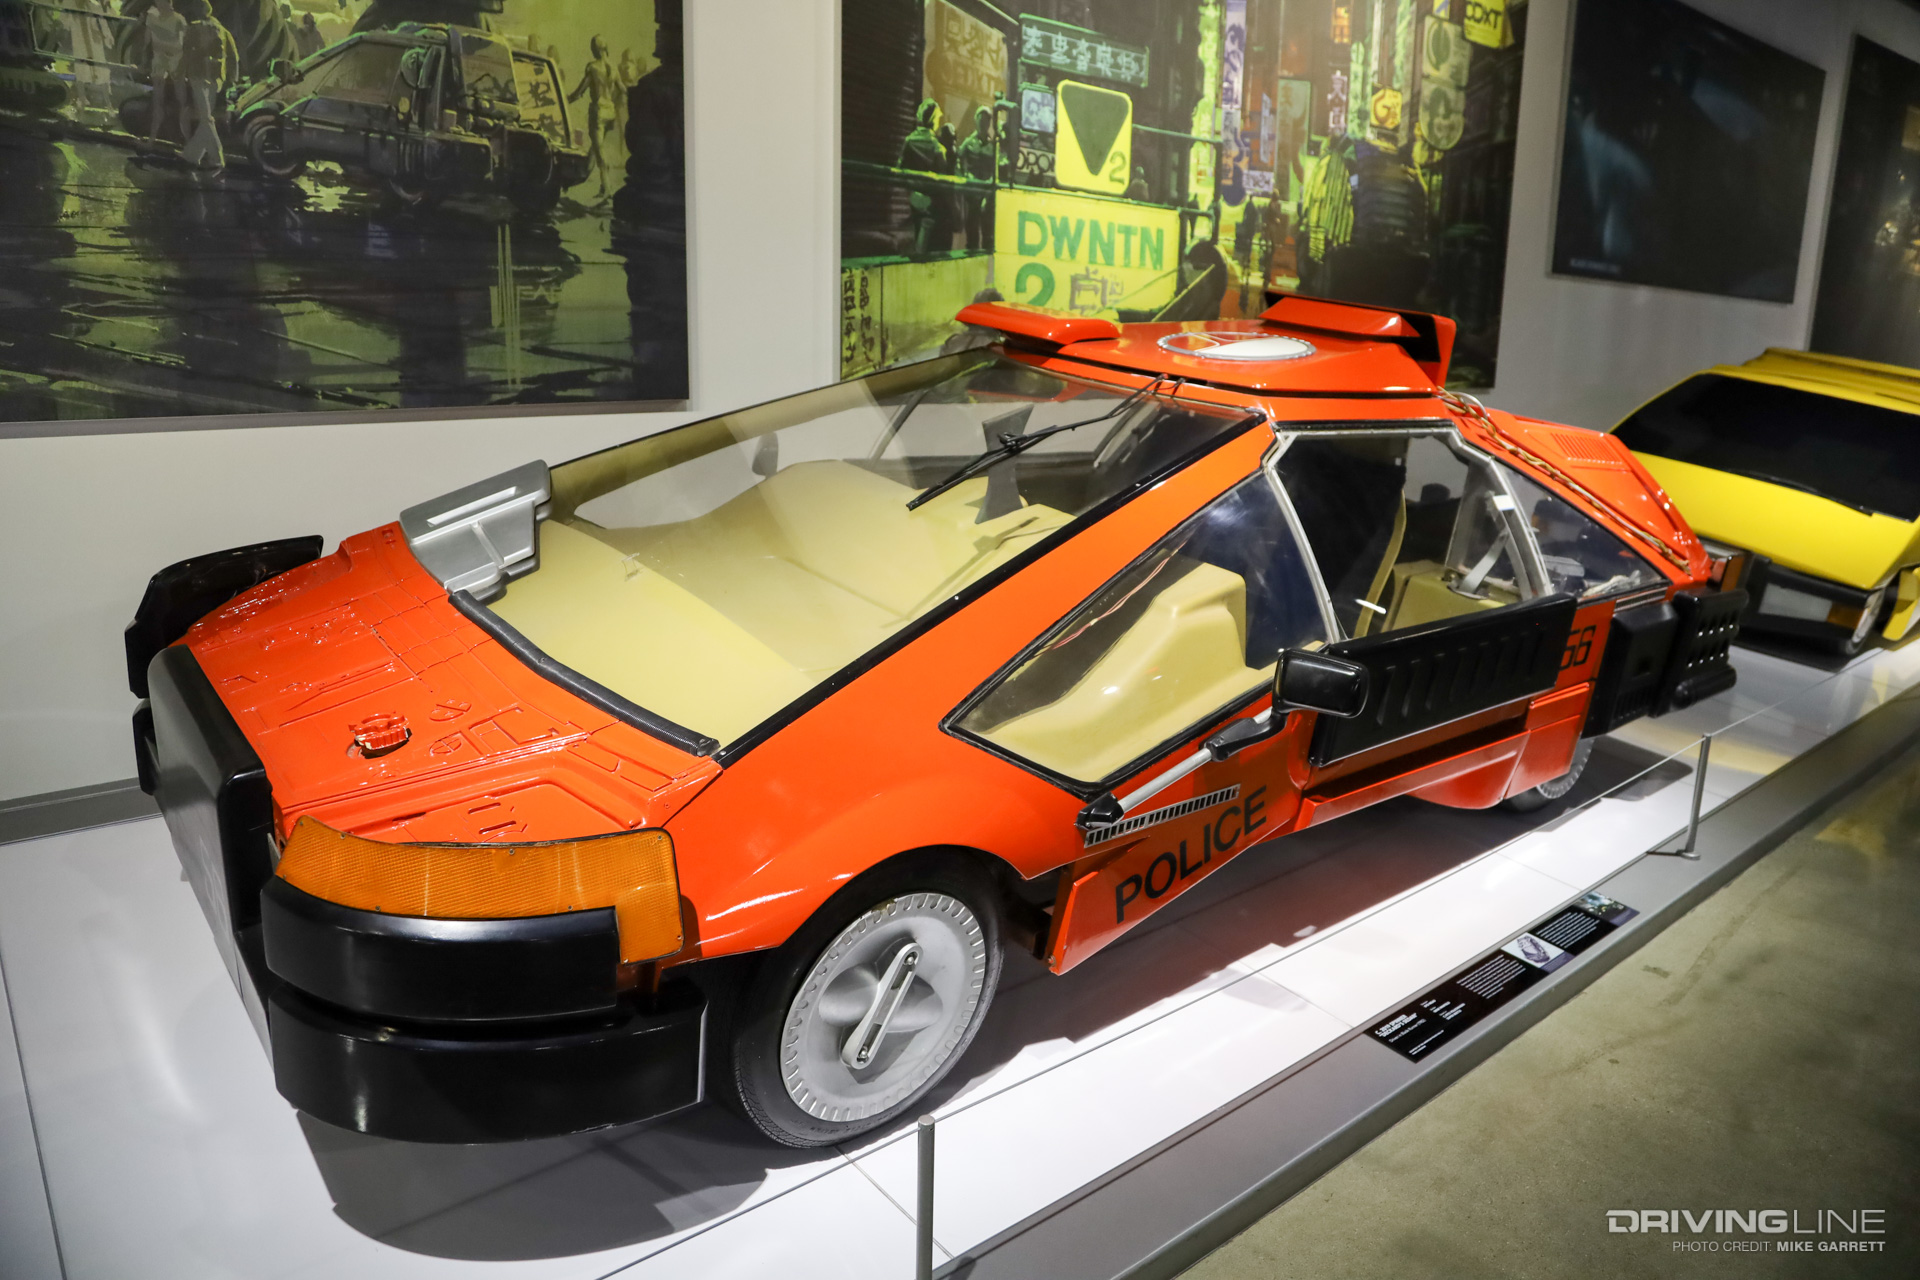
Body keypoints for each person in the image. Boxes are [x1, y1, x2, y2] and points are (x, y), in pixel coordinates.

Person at [176, 0, 238, 169]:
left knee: (206, 118)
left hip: (198, 75)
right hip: (217, 79)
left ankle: (217, 158)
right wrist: (232, 79)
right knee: (206, 116)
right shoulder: (224, 31)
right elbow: (233, 57)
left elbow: (186, 53)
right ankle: (192, 155)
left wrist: (179, 73)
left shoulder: (194, 28)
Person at [567, 35, 619, 199]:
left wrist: (566, 100)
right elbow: (622, 89)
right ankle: (585, 176)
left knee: (599, 151)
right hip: (610, 111)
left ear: (594, 49)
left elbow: (580, 91)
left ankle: (607, 188)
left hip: (598, 112)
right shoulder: (614, 68)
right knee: (596, 148)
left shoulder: (593, 68)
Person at [897, 98, 950, 255]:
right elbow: (943, 173)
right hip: (932, 199)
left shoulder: (909, 141)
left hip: (913, 196)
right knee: (930, 239)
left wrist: (911, 190)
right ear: (933, 120)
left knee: (916, 229)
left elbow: (899, 169)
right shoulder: (937, 146)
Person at [142, 0, 189, 144]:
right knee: (159, 99)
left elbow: (183, 42)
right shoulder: (153, 17)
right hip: (162, 61)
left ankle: (185, 138)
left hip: (174, 61)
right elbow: (146, 41)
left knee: (180, 100)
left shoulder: (178, 19)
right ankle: (153, 136)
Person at [953, 106, 996, 251]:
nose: (983, 123)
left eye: (986, 120)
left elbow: (996, 168)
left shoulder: (993, 145)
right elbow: (958, 160)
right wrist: (964, 176)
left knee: (988, 230)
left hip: (987, 191)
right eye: (980, 120)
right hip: (972, 192)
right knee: (972, 228)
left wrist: (991, 183)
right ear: (976, 121)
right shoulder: (968, 142)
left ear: (989, 123)